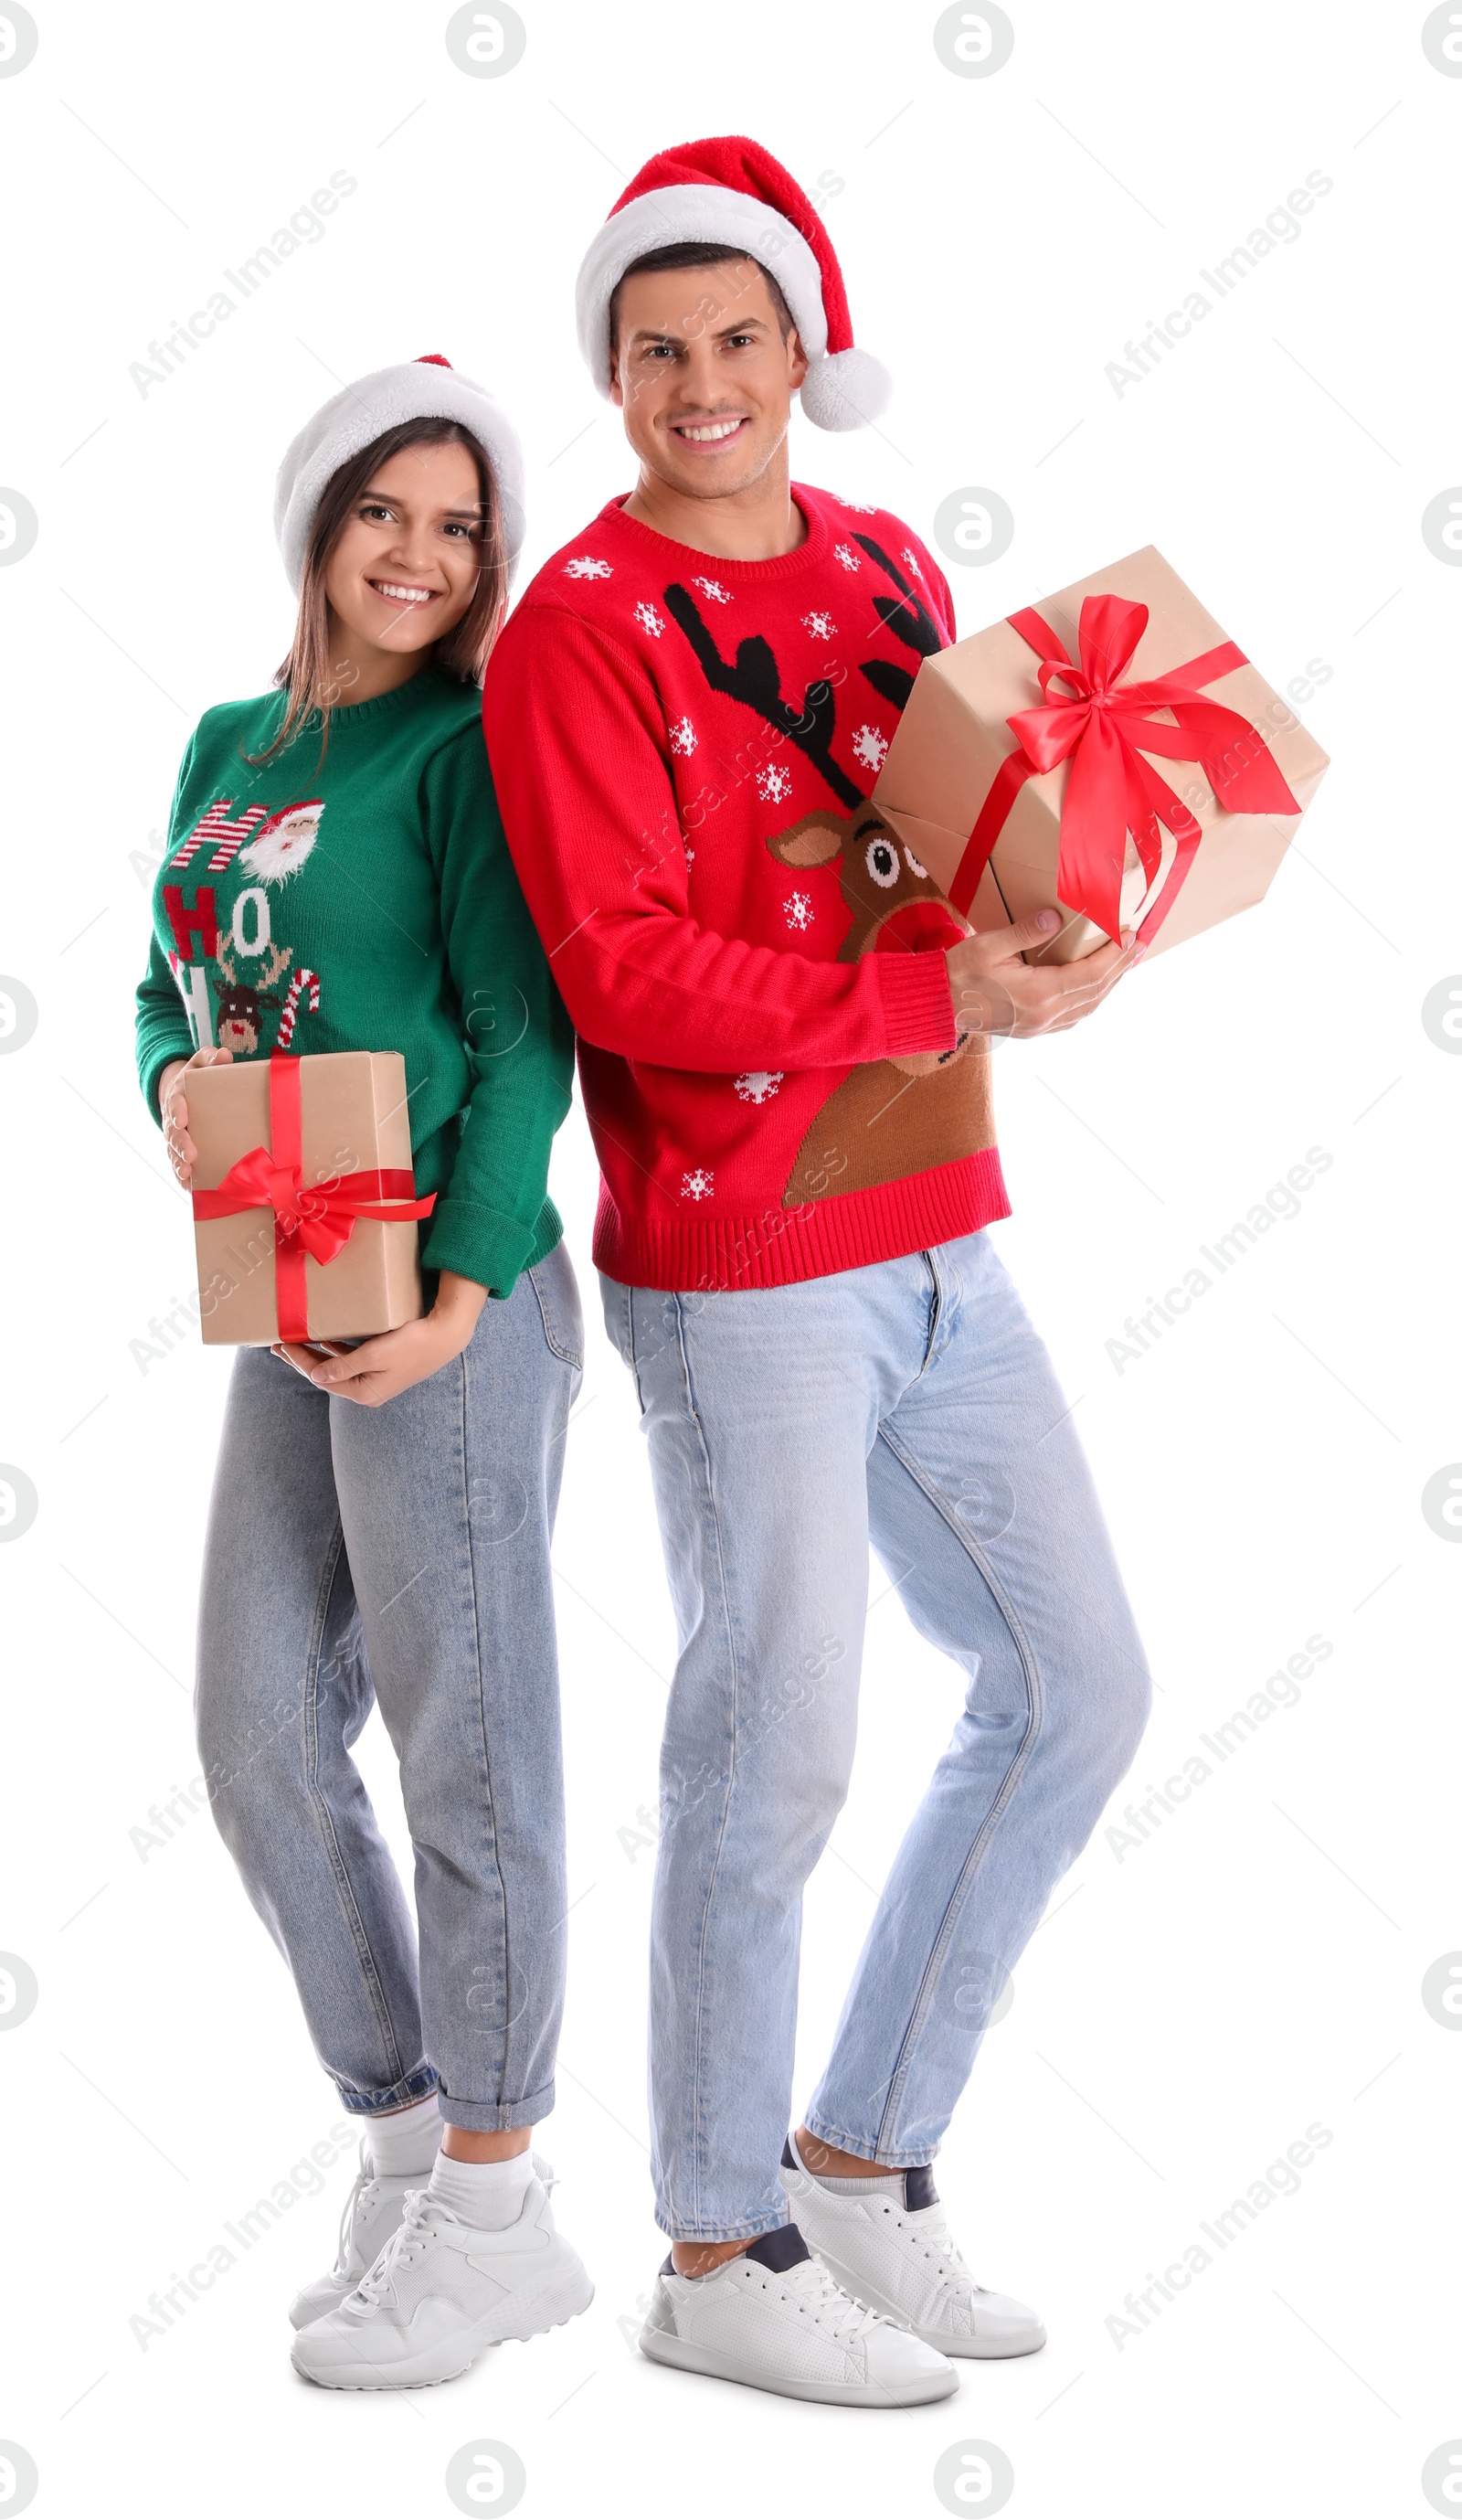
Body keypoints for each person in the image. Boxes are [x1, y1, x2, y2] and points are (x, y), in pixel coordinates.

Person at [483, 138, 1153, 2409]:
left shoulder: (875, 557)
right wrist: (926, 999)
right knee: (769, 1752)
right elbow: (620, 964)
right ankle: (708, 2237)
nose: (697, 383)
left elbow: (945, 843)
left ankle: (860, 2152)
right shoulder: (571, 631)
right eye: (654, 348)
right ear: (613, 371)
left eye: (735, 340)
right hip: (742, 1260)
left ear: (799, 355)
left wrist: (1052, 930)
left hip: (943, 1227)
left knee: (1074, 1686)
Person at [135, 357, 591, 2391]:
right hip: (289, 1275)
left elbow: (518, 1028)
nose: (421, 552)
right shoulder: (231, 740)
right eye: (383, 511)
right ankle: (406, 2136)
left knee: (465, 1746)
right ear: (316, 523)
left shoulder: (467, 750)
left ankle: (498, 2202)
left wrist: (466, 1295)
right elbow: (172, 976)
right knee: (251, 1728)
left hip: (443, 1302)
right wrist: (167, 1088)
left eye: (459, 521)